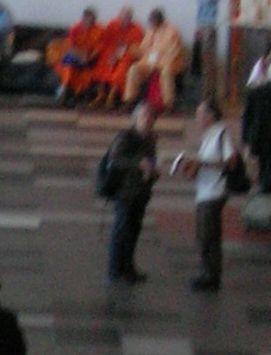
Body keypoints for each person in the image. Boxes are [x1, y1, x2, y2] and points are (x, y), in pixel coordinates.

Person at [168, 96, 240, 292]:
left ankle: (210, 276)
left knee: (208, 236)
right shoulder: (209, 135)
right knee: (204, 235)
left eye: (200, 114)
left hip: (214, 192)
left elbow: (230, 161)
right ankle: (207, 273)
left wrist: (203, 163)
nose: (197, 118)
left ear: (210, 116)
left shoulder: (221, 134)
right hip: (205, 190)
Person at [102, 101, 160, 283]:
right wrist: (137, 164)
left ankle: (128, 268)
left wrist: (153, 173)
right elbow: (115, 159)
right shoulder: (126, 136)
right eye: (143, 116)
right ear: (135, 119)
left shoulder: (151, 139)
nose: (147, 120)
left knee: (134, 231)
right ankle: (114, 271)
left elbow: (151, 162)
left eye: (150, 116)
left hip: (141, 192)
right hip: (125, 191)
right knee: (121, 231)